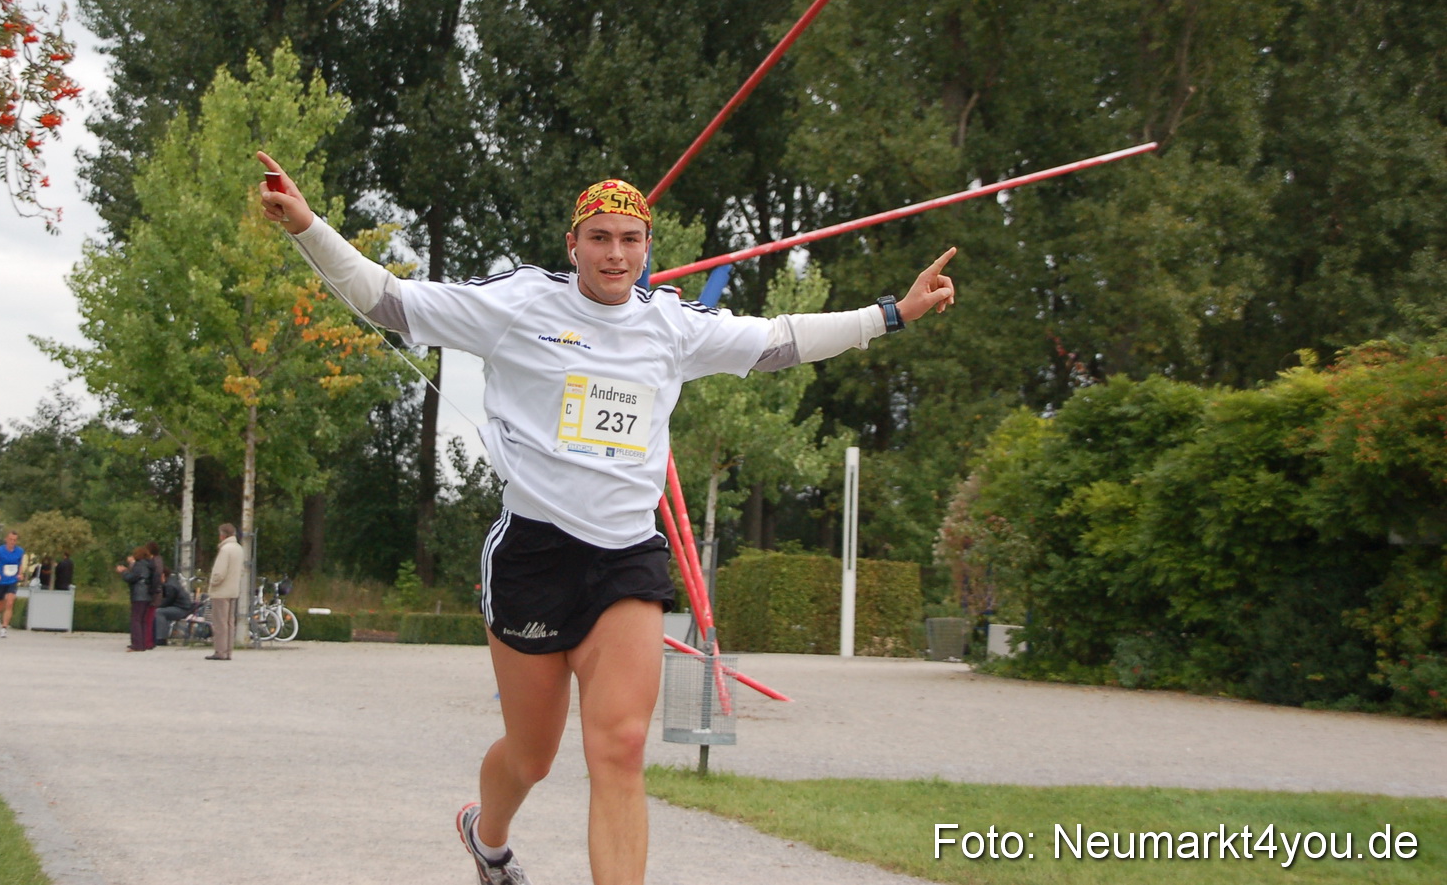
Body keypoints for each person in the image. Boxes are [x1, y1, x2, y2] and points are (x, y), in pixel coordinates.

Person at [259, 156, 957, 885]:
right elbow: (389, 302)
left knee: (621, 748)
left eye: (630, 238)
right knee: (532, 754)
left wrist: (892, 314)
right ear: (573, 243)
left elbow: (781, 339)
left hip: (626, 557)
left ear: (648, 246)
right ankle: (486, 835)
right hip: (532, 554)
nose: (616, 253)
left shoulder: (670, 324)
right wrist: (308, 226)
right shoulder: (522, 302)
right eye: (600, 237)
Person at [206, 523, 243, 661]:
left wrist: (212, 582)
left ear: (223, 535)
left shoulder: (225, 550)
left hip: (221, 591)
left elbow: (219, 572)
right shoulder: (239, 549)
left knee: (219, 623)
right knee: (230, 622)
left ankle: (220, 651)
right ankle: (228, 651)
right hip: (233, 589)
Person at [117, 547, 155, 652]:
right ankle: (143, 643)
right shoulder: (149, 565)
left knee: (136, 619)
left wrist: (123, 571)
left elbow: (131, 577)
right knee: (143, 620)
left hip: (139, 595)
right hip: (147, 594)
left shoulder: (139, 565)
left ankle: (137, 644)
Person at [0, 531, 26, 638]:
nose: (12, 542)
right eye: (10, 539)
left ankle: (4, 628)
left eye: (14, 540)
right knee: (1, 604)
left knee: (10, 603)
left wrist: (20, 574)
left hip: (12, 580)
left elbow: (20, 564)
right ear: (6, 539)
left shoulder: (19, 551)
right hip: (1, 580)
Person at [154, 571, 195, 646]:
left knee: (159, 612)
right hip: (182, 607)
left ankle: (161, 638)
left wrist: (155, 606)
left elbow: (167, 601)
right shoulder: (172, 581)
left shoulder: (170, 585)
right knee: (161, 612)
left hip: (182, 609)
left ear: (163, 575)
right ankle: (159, 635)